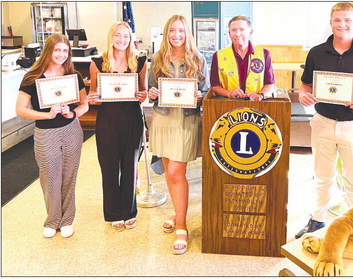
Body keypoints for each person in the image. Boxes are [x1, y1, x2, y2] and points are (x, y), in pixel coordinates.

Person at [295, 2, 353, 239]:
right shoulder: (316, 52)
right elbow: (306, 83)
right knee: (322, 176)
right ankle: (317, 219)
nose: (342, 24)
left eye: (347, 20)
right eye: (338, 20)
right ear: (331, 22)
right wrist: (304, 94)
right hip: (323, 121)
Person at [16, 33, 89, 238]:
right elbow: (20, 109)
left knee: (69, 175)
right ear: (49, 50)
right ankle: (52, 220)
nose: (61, 54)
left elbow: (85, 105)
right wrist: (47, 114)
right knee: (50, 177)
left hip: (71, 130)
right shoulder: (32, 77)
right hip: (46, 133)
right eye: (57, 50)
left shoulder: (74, 77)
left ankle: (67, 220)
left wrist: (72, 113)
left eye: (65, 51)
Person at [148, 15, 209, 255]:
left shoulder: (198, 58)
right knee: (169, 172)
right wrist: (152, 92)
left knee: (175, 172)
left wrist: (200, 95)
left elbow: (206, 90)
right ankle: (178, 212)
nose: (176, 35)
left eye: (181, 31)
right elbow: (152, 89)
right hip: (163, 119)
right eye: (172, 31)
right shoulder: (158, 58)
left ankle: (182, 226)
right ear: (166, 33)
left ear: (187, 34)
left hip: (186, 120)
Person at [88, 22, 148, 231]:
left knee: (130, 165)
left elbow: (144, 93)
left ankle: (129, 211)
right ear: (111, 37)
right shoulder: (97, 62)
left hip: (131, 118)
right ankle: (113, 212)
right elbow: (93, 96)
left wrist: (142, 95)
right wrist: (93, 97)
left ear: (131, 38)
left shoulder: (139, 62)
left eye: (126, 36)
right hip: (107, 119)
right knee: (109, 165)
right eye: (118, 35)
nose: (122, 40)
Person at [210, 15, 275, 101]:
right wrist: (229, 93)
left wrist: (260, 95)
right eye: (233, 30)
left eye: (242, 30)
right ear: (229, 34)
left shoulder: (264, 54)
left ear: (250, 32)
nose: (237, 34)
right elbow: (215, 86)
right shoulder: (218, 56)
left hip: (257, 105)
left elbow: (270, 84)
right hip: (228, 105)